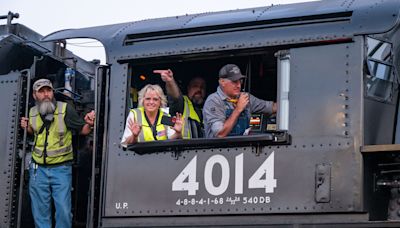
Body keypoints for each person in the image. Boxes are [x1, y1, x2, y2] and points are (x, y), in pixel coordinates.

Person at [20, 78, 95, 228]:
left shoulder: (65, 109)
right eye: (41, 92)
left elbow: (82, 130)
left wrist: (90, 124)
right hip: (38, 169)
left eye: (48, 90)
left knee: (64, 211)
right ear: (35, 95)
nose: (46, 94)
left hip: (61, 169)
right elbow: (35, 134)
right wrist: (26, 128)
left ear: (52, 92)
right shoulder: (32, 112)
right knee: (40, 213)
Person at [203, 64, 277, 138]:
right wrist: (238, 109)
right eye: (234, 82)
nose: (239, 85)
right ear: (222, 82)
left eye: (240, 81)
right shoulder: (213, 101)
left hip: (243, 147)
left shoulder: (245, 97)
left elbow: (272, 108)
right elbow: (220, 134)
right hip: (220, 148)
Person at [154, 69, 205, 138]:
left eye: (202, 87)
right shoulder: (182, 103)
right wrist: (170, 81)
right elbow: (175, 97)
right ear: (188, 88)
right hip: (185, 147)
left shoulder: (208, 106)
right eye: (195, 86)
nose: (199, 89)